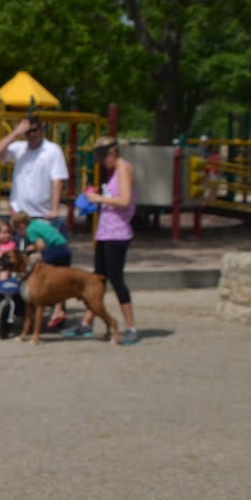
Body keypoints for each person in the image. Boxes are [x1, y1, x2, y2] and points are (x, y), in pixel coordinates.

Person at [85, 136, 141, 346]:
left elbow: (125, 200)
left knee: (116, 280)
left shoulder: (124, 168)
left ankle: (131, 326)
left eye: (102, 156)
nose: (101, 161)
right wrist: (101, 192)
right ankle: (87, 322)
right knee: (98, 279)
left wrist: (99, 198)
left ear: (113, 152)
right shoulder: (114, 172)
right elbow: (114, 196)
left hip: (117, 233)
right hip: (105, 232)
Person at [0, 115, 69, 222]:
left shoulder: (53, 150)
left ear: (41, 129)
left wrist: (55, 210)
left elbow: (57, 181)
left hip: (42, 213)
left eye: (34, 130)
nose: (32, 134)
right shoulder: (19, 148)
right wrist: (16, 133)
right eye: (28, 132)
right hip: (19, 212)